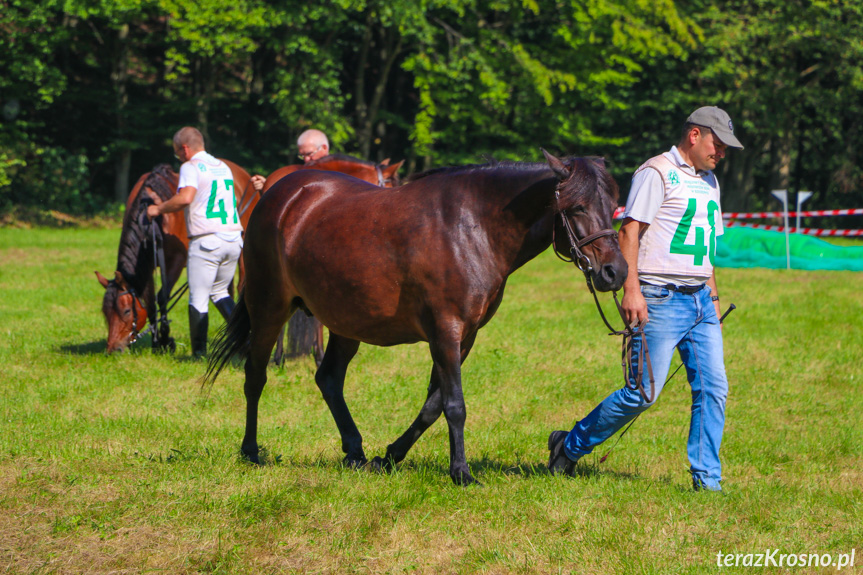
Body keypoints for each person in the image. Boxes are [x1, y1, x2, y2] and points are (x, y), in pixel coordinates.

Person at [547, 106, 744, 492]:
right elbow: (629, 233)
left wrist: (714, 298)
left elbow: (703, 250)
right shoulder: (656, 172)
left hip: (701, 300)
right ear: (694, 135)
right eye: (716, 144)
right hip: (659, 298)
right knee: (642, 394)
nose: (720, 153)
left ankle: (708, 481)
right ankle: (568, 445)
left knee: (713, 388)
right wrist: (632, 291)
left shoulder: (710, 182)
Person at [147, 127, 243, 358]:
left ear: (185, 149)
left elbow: (185, 197)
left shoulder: (190, 166)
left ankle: (198, 354)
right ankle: (244, 340)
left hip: (207, 240)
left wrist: (158, 208)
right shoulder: (223, 166)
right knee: (220, 292)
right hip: (233, 238)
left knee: (198, 297)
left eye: (177, 153)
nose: (178, 157)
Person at [247, 129, 331, 192]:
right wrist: (268, 185)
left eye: (309, 154)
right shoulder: (303, 174)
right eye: (302, 155)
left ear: (324, 148)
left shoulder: (341, 173)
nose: (306, 159)